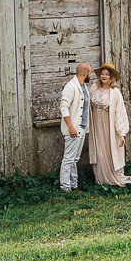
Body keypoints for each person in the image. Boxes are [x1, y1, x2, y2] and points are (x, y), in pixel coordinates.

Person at [89, 63, 131, 187]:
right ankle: (101, 178)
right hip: (96, 125)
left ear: (111, 77)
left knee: (109, 151)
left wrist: (121, 133)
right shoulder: (93, 88)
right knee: (99, 152)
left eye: (107, 74)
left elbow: (120, 113)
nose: (104, 76)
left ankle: (111, 177)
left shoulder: (115, 92)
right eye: (102, 74)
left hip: (109, 126)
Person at [58, 63, 92, 192]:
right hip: (73, 129)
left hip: (81, 127)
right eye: (90, 73)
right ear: (85, 73)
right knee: (68, 159)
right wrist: (71, 127)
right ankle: (65, 187)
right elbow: (63, 107)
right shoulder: (71, 86)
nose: (91, 76)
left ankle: (74, 185)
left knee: (74, 159)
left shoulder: (83, 86)